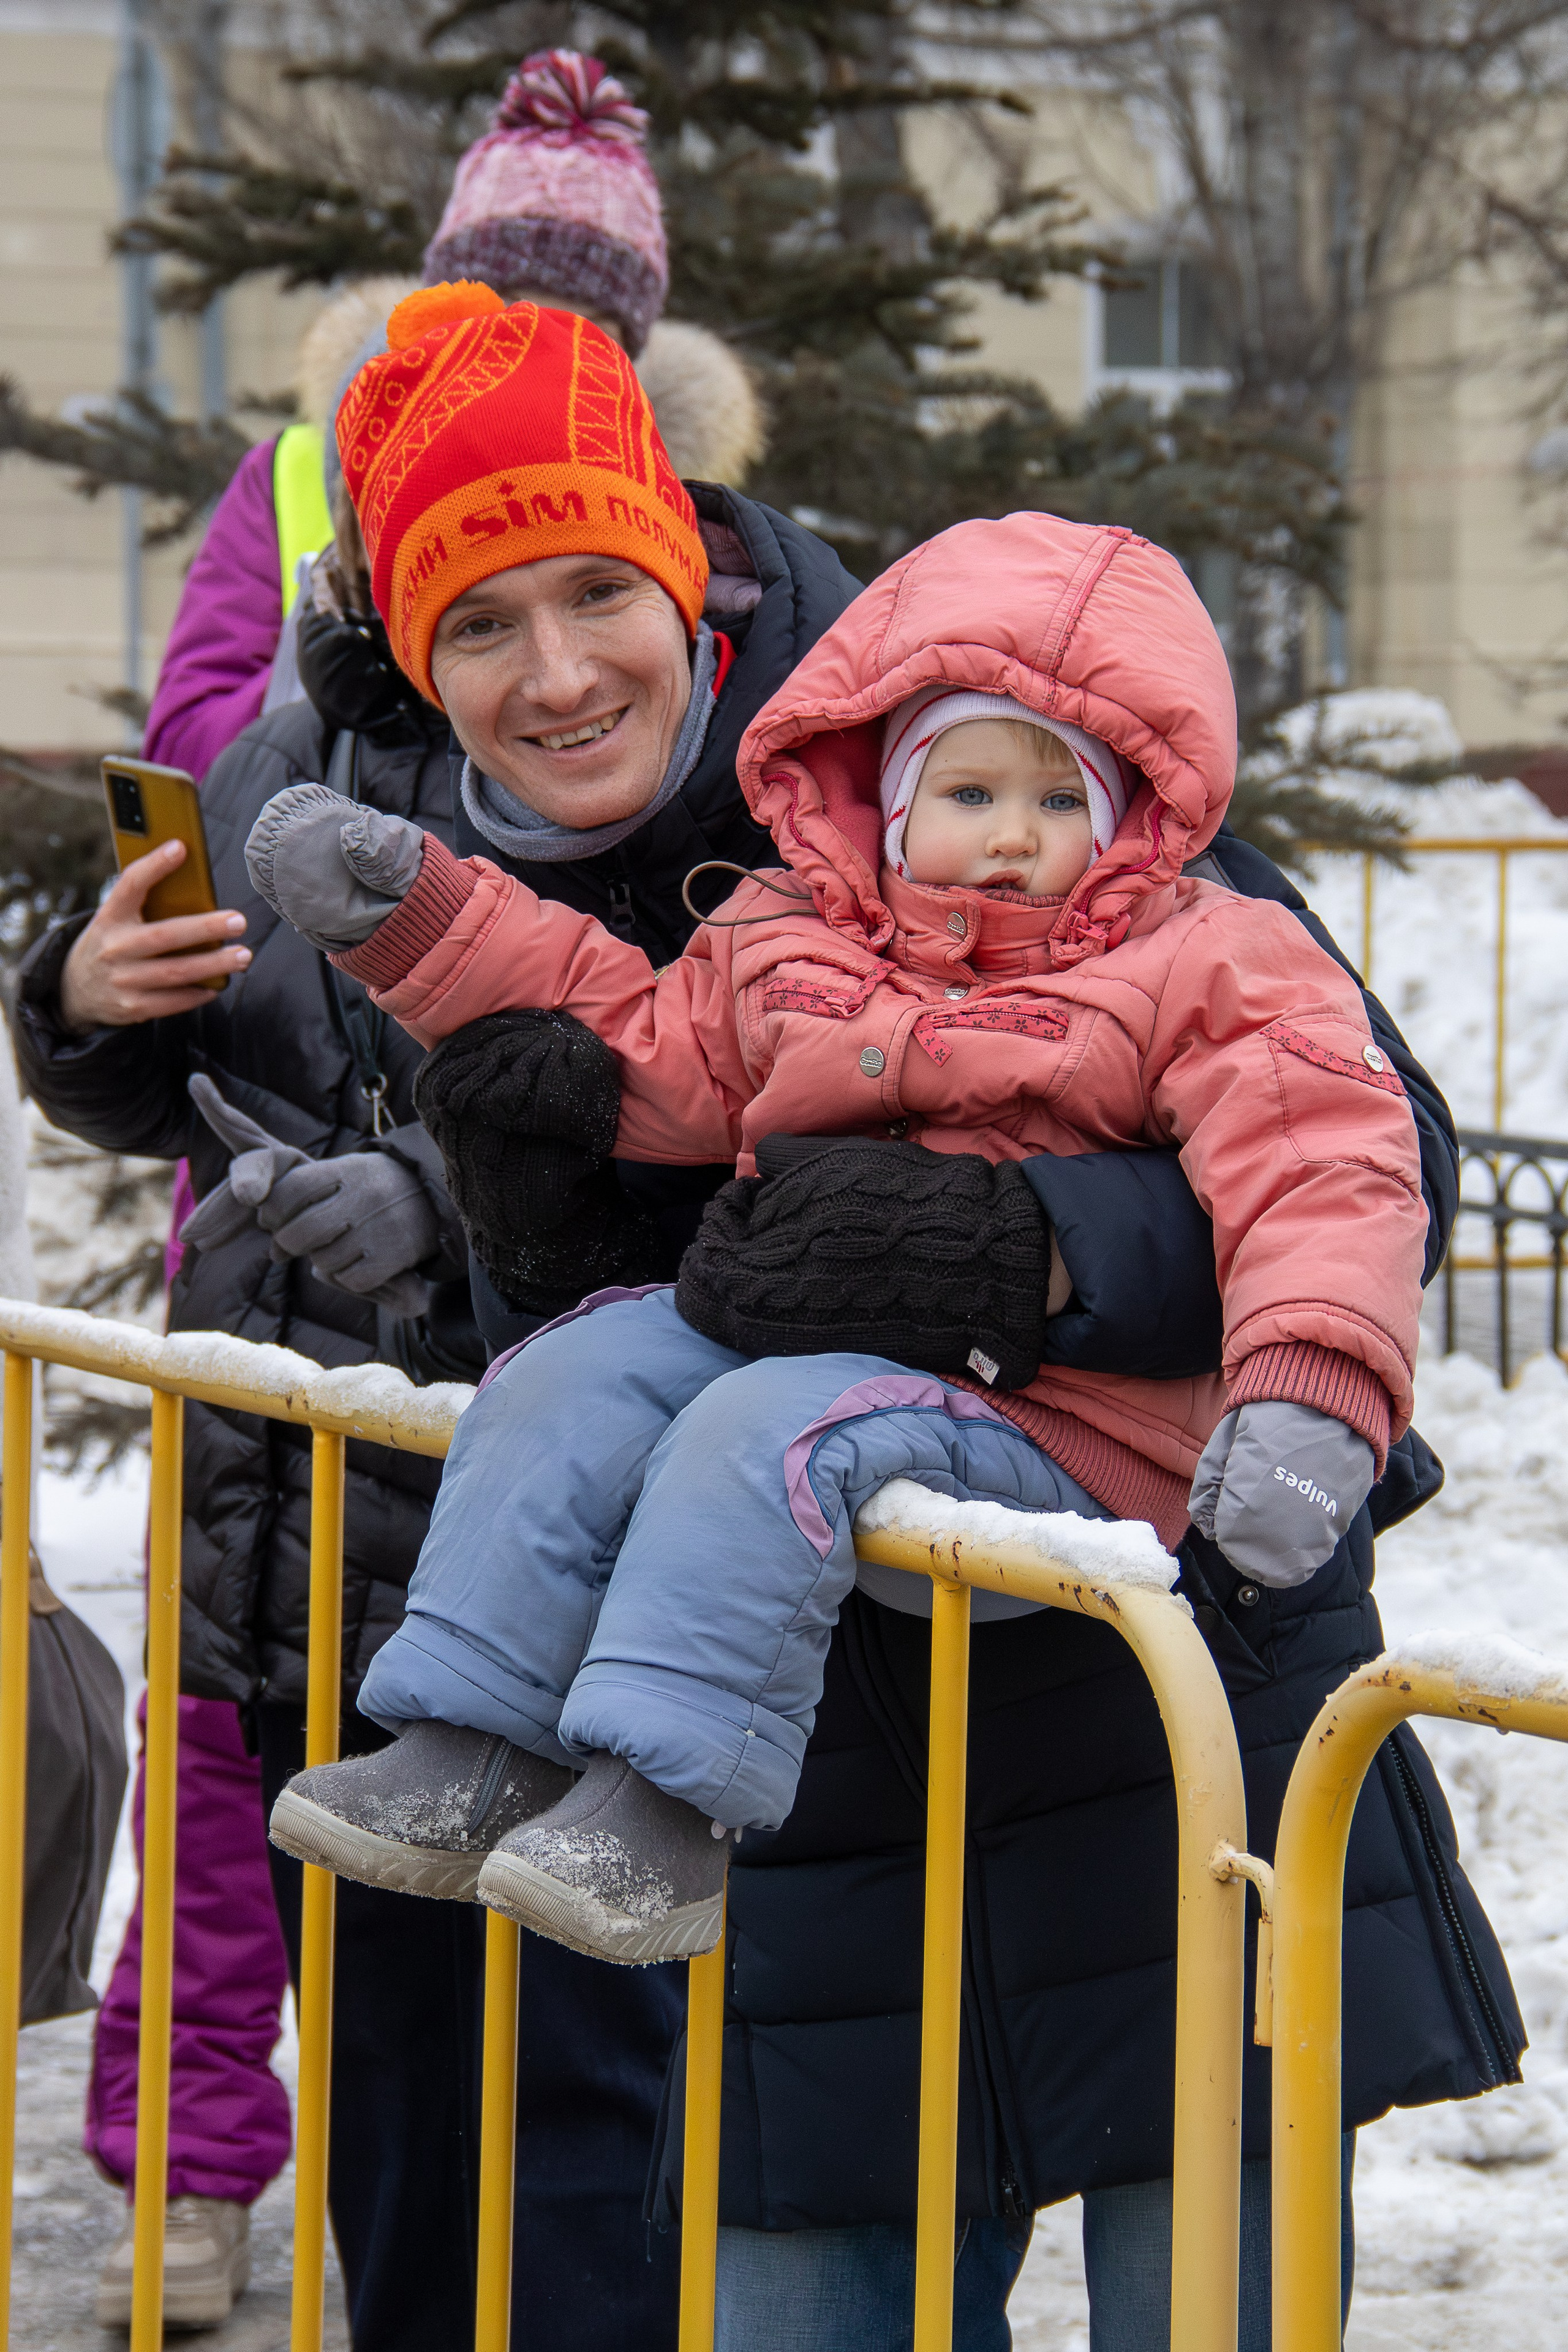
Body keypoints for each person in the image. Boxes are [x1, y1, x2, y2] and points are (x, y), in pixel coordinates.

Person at [228, 279, 1520, 2348]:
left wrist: (1020, 1261)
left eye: (594, 594)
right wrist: (519, 1224)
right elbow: (598, 1366)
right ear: (414, 656)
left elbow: (1372, 1157)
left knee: (1200, 2290)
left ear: (686, 562)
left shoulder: (1032, 750)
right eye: (479, 623)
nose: (554, 675)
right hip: (807, 1772)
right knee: (812, 2298)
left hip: (1152, 1702)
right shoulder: (590, 905)